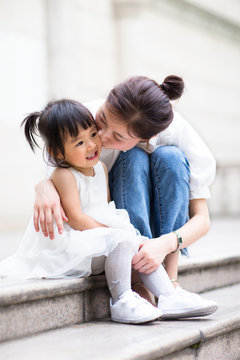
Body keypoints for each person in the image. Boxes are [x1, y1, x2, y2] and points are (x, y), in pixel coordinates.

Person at [0, 99, 217, 323]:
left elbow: (107, 208)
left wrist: (124, 233)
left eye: (93, 135)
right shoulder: (64, 175)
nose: (92, 145)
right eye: (79, 143)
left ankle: (169, 296)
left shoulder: (101, 168)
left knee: (140, 243)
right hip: (74, 243)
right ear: (58, 153)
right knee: (123, 240)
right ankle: (122, 298)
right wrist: (113, 234)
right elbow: (75, 218)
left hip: (96, 236)